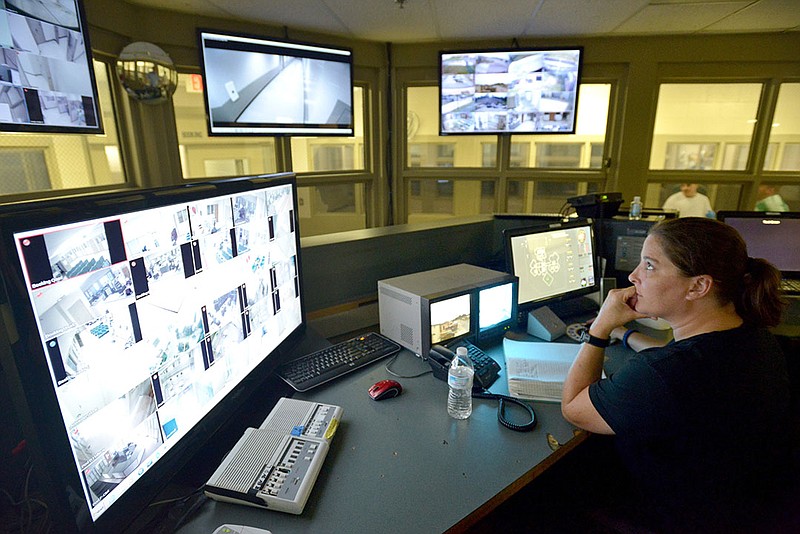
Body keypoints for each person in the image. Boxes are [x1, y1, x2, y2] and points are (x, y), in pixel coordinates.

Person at [561, 217, 792, 532]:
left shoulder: (661, 376)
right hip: (735, 506)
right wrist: (627, 336)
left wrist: (601, 328)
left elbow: (574, 407)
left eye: (650, 266)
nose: (633, 276)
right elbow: (681, 361)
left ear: (698, 286)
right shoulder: (754, 337)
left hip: (666, 514)